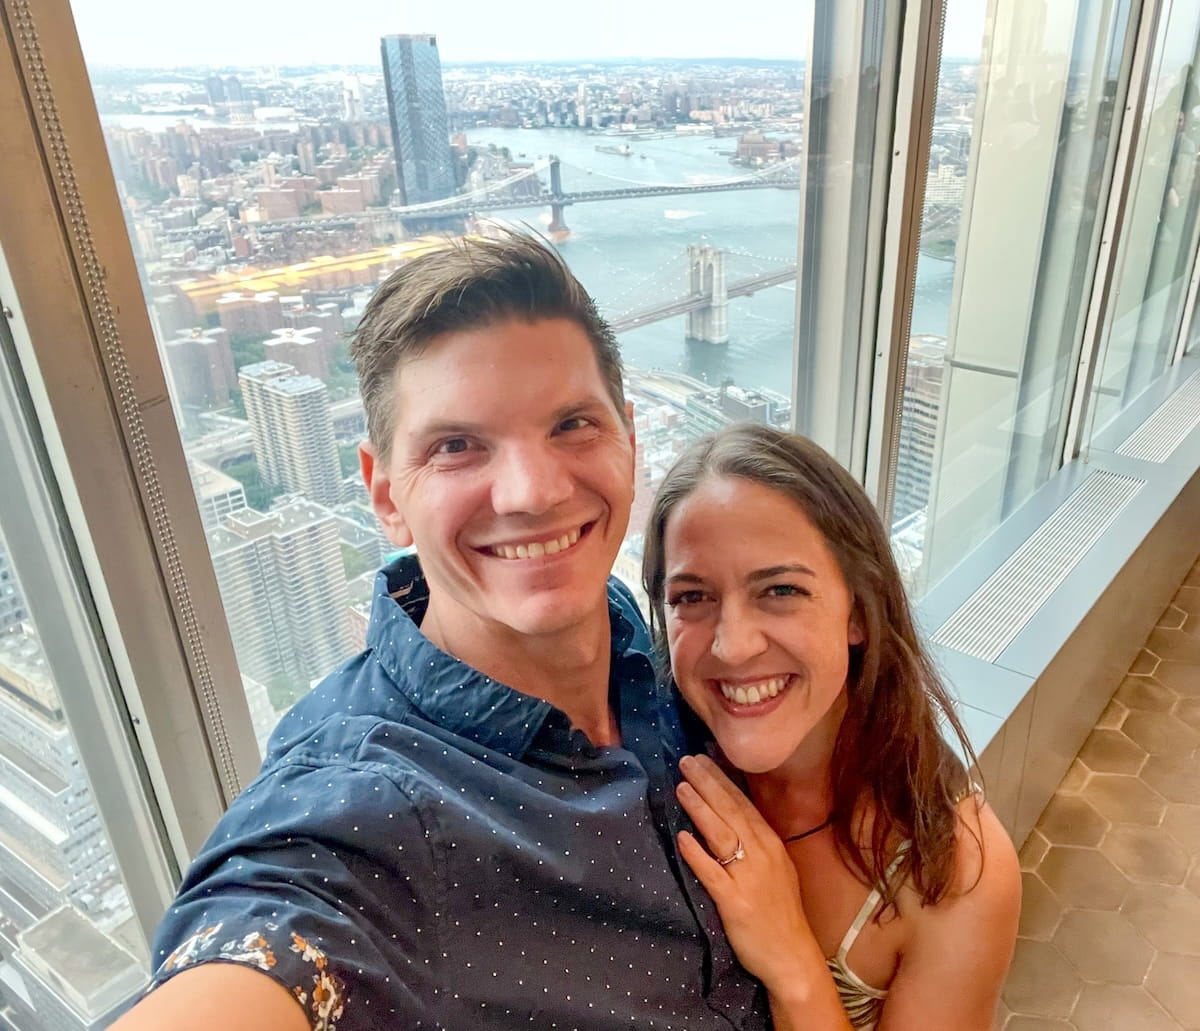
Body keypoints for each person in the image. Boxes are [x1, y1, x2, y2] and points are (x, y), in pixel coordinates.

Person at [112, 232, 767, 1031]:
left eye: (572, 424)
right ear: (385, 493)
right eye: (457, 446)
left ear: (628, 438)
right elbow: (263, 945)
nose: (532, 491)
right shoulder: (369, 811)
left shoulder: (647, 639)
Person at [642, 424, 1021, 1031]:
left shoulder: (956, 871)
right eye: (692, 597)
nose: (733, 646)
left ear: (860, 614)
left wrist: (790, 958)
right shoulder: (653, 752)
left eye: (781, 590)